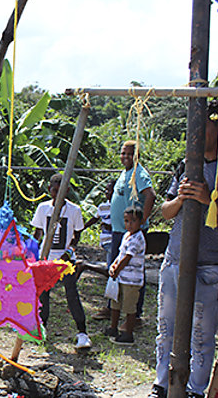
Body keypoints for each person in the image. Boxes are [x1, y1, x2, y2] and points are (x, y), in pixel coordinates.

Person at [149, 101, 218, 398]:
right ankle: (161, 385)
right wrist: (181, 199)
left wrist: (209, 200)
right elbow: (166, 212)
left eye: (205, 124)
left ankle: (195, 390)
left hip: (209, 264)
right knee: (166, 331)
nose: (196, 131)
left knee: (201, 336)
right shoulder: (185, 166)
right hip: (174, 260)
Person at [98, 140, 156, 323]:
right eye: (122, 153)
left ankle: (134, 314)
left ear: (137, 155)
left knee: (132, 271)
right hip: (119, 230)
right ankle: (112, 306)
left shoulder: (139, 173)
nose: (125, 157)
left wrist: (142, 220)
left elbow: (150, 195)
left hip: (129, 231)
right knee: (114, 269)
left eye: (129, 154)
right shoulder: (125, 173)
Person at [30, 173, 91, 350]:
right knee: (43, 295)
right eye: (54, 190)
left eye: (61, 191)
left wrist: (69, 251)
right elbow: (38, 232)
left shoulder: (74, 210)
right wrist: (33, 254)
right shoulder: (43, 208)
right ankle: (41, 330)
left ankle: (82, 333)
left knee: (71, 293)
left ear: (68, 191)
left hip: (65, 261)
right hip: (46, 259)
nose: (57, 194)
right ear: (49, 190)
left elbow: (77, 235)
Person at [105, 205, 146, 346]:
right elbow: (120, 254)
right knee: (116, 302)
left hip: (132, 280)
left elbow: (127, 257)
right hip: (121, 277)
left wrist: (117, 269)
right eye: (127, 221)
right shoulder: (126, 236)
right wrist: (113, 266)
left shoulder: (138, 238)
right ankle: (113, 327)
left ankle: (128, 333)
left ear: (141, 222)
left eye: (133, 221)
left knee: (129, 307)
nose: (129, 224)